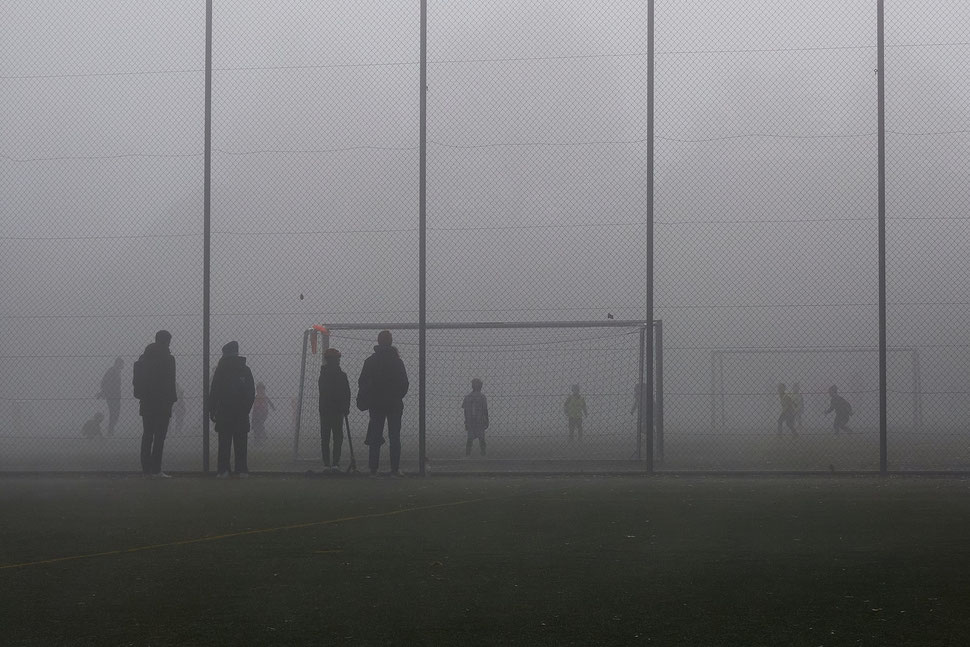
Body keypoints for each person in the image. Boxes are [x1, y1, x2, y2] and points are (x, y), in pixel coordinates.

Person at [357, 330, 409, 477]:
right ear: (391, 342)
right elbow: (404, 383)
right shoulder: (397, 361)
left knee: (375, 437)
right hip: (394, 403)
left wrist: (371, 396)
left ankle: (373, 469)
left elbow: (362, 382)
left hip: (376, 404)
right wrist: (397, 396)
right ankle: (394, 469)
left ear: (378, 341)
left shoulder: (370, 361)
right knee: (394, 437)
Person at [134, 330, 178, 478]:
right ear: (167, 341)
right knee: (160, 437)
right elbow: (171, 382)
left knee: (147, 435)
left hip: (147, 403)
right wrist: (172, 400)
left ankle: (146, 469)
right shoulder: (168, 359)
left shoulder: (144, 358)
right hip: (163, 403)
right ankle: (156, 469)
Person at [209, 341, 256, 478]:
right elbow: (251, 392)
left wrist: (212, 409)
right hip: (241, 412)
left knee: (224, 442)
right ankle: (242, 470)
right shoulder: (245, 370)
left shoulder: (221, 370)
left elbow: (214, 391)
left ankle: (223, 470)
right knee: (241, 442)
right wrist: (245, 409)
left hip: (224, 411)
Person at [318, 348, 351, 471]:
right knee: (337, 437)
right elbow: (346, 393)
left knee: (326, 437)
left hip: (327, 410)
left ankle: (328, 464)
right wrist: (345, 407)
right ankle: (334, 463)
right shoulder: (341, 375)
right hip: (336, 410)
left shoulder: (324, 375)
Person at [462, 378, 489, 457]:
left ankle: (468, 454)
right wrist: (487, 420)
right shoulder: (482, 397)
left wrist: (466, 422)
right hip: (479, 421)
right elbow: (485, 410)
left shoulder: (468, 397)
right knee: (481, 439)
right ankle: (482, 454)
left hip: (472, 421)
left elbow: (465, 411)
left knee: (471, 439)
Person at [97, 357, 123, 436]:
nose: (122, 366)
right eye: (121, 364)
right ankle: (110, 431)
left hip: (114, 396)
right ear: (118, 364)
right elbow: (106, 382)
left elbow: (105, 383)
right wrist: (104, 392)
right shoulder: (112, 371)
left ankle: (111, 430)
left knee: (114, 413)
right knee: (114, 413)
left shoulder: (115, 371)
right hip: (112, 396)